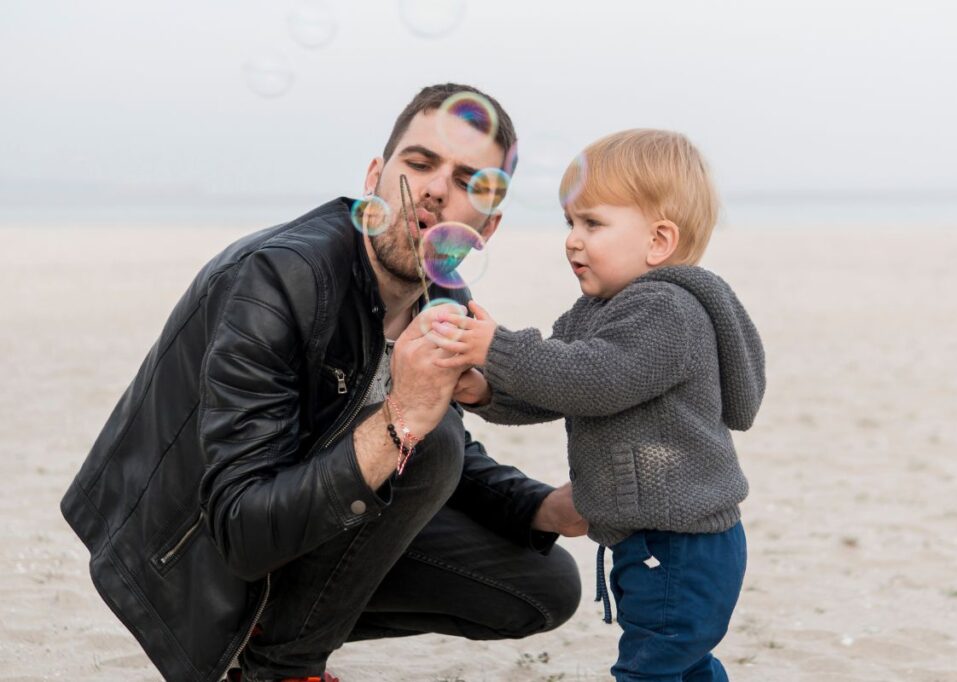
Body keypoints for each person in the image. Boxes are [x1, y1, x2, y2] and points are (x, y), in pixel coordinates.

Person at [59, 83, 584, 682]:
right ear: (374, 177)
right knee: (424, 438)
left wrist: (546, 508)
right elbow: (240, 529)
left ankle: (277, 630)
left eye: (468, 182)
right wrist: (400, 420)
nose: (438, 189)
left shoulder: (442, 295)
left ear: (485, 228)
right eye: (420, 163)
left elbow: (447, 459)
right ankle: (282, 667)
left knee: (545, 586)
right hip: (192, 551)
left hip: (307, 520)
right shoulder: (279, 281)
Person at [428, 129, 766, 681]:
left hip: (681, 544)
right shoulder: (600, 310)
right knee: (681, 664)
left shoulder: (666, 310)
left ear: (658, 241)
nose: (572, 240)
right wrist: (487, 389)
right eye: (570, 223)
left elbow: (596, 377)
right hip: (654, 537)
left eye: (593, 224)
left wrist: (497, 347)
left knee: (650, 668)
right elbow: (557, 379)